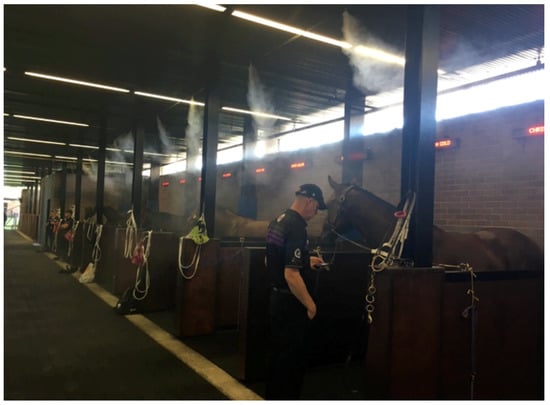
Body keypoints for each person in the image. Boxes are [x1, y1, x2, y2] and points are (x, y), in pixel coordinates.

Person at [265, 183, 328, 400]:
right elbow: (291, 274)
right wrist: (310, 305)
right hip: (290, 303)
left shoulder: (278, 220)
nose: (315, 213)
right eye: (317, 207)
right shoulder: (297, 227)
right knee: (292, 360)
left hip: (276, 299)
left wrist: (306, 260)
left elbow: (272, 259)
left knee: (278, 356)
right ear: (310, 201)